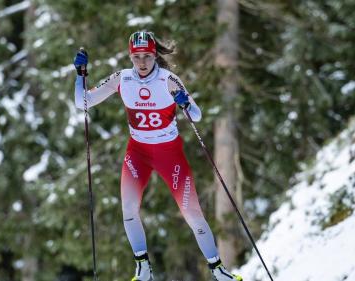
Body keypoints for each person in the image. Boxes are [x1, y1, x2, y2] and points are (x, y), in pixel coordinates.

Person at [73, 31, 243, 281]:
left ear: (155, 56)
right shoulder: (122, 78)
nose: (142, 62)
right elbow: (83, 103)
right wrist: (80, 76)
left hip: (169, 153)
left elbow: (196, 116)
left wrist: (185, 102)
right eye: (137, 57)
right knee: (129, 209)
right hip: (138, 153)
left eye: (147, 56)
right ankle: (143, 268)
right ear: (131, 56)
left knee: (192, 213)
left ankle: (218, 271)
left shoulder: (168, 79)